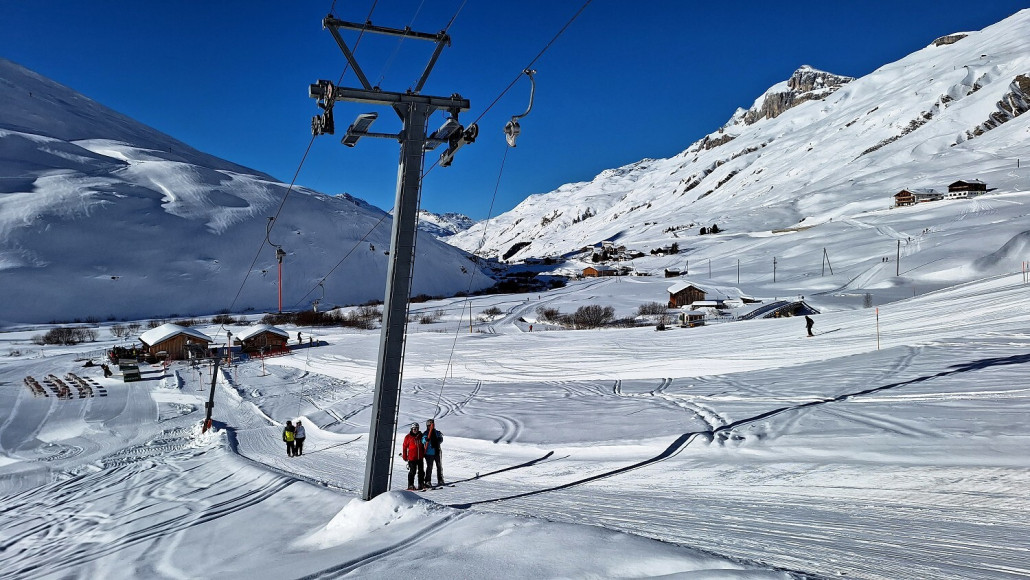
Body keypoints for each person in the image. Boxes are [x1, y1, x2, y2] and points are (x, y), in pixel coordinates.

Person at [400, 423, 425, 491]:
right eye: (414, 429)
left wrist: (424, 453)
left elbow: (424, 445)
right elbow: (405, 447)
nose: (415, 430)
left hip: (419, 457)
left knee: (421, 472)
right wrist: (405, 456)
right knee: (412, 471)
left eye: (417, 428)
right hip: (412, 458)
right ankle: (410, 485)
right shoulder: (408, 437)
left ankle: (421, 484)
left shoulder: (421, 436)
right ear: (412, 429)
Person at [422, 418, 444, 487]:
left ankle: (440, 479)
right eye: (430, 425)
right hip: (429, 453)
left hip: (437, 451)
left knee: (439, 466)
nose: (431, 426)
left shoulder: (436, 432)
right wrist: (426, 440)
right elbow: (423, 440)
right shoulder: (426, 433)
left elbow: (440, 438)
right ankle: (427, 481)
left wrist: (440, 439)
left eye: (432, 425)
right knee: (430, 467)